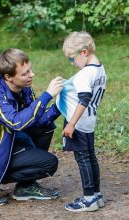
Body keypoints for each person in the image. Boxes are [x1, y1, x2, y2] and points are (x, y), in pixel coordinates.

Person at [0, 48, 63, 207]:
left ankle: (26, 186)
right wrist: (47, 95)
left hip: (7, 142)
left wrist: (60, 106)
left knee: (46, 127)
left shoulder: (24, 89)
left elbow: (38, 120)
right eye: (25, 73)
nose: (32, 75)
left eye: (30, 70)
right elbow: (17, 122)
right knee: (48, 163)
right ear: (8, 77)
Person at [56, 31, 107, 212]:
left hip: (78, 123)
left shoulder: (85, 74)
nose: (72, 63)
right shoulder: (100, 69)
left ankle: (89, 199)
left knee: (83, 159)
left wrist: (71, 124)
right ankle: (97, 195)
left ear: (84, 52)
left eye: (72, 59)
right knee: (91, 157)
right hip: (90, 121)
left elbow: (84, 99)